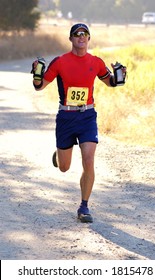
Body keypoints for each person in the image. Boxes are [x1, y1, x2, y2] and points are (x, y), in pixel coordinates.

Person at [31, 23, 126, 223]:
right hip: (66, 117)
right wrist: (37, 73)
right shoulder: (60, 62)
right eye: (77, 34)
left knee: (89, 160)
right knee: (64, 167)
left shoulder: (96, 62)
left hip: (87, 116)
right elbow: (39, 87)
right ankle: (60, 155)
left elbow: (110, 83)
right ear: (71, 39)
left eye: (85, 34)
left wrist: (120, 76)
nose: (81, 37)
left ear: (89, 39)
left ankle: (84, 207)